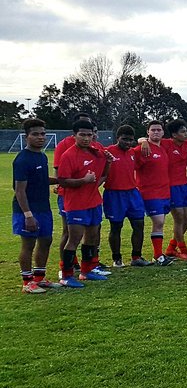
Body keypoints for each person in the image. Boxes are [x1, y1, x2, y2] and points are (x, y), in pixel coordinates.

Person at [56, 120, 112, 286]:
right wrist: (83, 180)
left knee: (92, 237)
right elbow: (62, 181)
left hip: (94, 201)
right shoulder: (68, 155)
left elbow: (103, 175)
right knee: (74, 238)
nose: (86, 138)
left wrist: (108, 163)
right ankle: (66, 276)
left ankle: (86, 271)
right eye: (82, 135)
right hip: (76, 204)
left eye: (89, 134)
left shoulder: (97, 153)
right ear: (74, 135)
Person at [13, 117, 57, 292]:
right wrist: (28, 215)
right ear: (26, 137)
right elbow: (19, 190)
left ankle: (40, 277)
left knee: (46, 240)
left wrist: (65, 181)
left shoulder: (42, 156)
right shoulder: (22, 159)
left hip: (44, 207)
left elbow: (42, 179)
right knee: (28, 244)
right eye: (35, 134)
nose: (40, 137)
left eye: (43, 134)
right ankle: (27, 282)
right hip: (27, 210)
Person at [103, 125, 148, 267]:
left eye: (130, 140)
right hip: (114, 194)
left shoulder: (133, 153)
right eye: (124, 139)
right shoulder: (108, 152)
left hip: (132, 193)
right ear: (117, 138)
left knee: (139, 224)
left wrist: (143, 141)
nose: (127, 142)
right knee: (116, 226)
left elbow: (144, 143)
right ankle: (117, 258)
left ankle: (136, 256)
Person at [135, 120, 177, 265]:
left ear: (163, 132)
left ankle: (158, 255)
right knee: (158, 222)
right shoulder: (142, 149)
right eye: (153, 130)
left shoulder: (163, 146)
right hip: (150, 192)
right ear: (148, 132)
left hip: (164, 191)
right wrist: (142, 141)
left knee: (160, 223)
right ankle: (158, 256)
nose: (156, 132)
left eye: (159, 130)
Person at [160, 119, 187, 259]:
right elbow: (145, 140)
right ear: (174, 135)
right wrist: (143, 141)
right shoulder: (166, 143)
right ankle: (183, 250)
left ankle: (171, 248)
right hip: (172, 186)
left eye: (186, 131)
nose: (186, 134)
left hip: (185, 185)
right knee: (179, 218)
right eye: (183, 132)